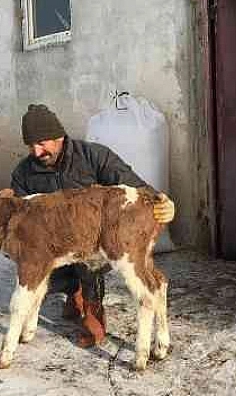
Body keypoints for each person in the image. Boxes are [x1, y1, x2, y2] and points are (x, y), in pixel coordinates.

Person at [10, 104, 175, 347]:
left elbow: (132, 185)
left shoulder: (93, 156)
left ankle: (92, 309)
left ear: (59, 136)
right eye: (31, 145)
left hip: (94, 241)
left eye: (43, 142)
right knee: (24, 253)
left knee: (91, 262)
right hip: (54, 245)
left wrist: (160, 201)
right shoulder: (24, 172)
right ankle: (71, 290)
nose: (37, 151)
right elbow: (18, 214)